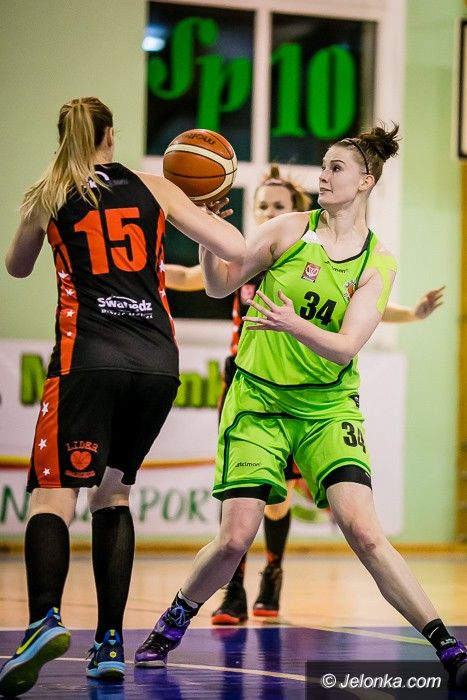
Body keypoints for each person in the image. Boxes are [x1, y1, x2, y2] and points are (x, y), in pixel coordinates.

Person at [134, 123, 467, 691]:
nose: (323, 175)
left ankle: (446, 644)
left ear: (366, 181)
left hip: (327, 405)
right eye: (324, 165)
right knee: (235, 537)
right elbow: (218, 286)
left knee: (364, 531)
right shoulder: (289, 229)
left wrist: (294, 323)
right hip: (258, 398)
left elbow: (346, 345)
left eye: (336, 167)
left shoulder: (378, 263)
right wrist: (210, 234)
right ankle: (174, 619)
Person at [0, 96, 245, 698]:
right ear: (111, 136)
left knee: (53, 496)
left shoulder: (48, 192)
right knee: (113, 495)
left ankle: (44, 620)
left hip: (88, 357)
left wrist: (41, 223)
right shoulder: (156, 187)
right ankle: (110, 642)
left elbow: (17, 267)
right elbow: (236, 251)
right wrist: (204, 210)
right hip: (157, 363)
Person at [165, 166, 445, 625]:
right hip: (249, 380)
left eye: (277, 206)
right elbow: (192, 278)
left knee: (279, 500)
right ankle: (233, 589)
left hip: (307, 387)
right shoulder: (245, 259)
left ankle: (272, 571)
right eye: (262, 205)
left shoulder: (311, 253)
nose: (268, 212)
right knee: (240, 504)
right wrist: (140, 267)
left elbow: (369, 308)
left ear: (294, 211)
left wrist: (413, 313)